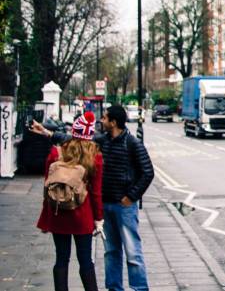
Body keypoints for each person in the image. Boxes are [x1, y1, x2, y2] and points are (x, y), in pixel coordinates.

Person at [33, 104, 154, 291]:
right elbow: (76, 140)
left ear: (113, 122)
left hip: (123, 206)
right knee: (108, 252)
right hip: (98, 208)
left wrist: (131, 197)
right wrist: (48, 133)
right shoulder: (99, 145)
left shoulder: (132, 143)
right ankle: (114, 288)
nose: (101, 121)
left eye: (105, 118)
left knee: (132, 253)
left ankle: (139, 288)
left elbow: (147, 172)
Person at [37, 111, 103, 291]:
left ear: (73, 132)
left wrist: (45, 218)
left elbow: (47, 186)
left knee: (61, 258)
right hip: (82, 216)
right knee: (85, 260)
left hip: (58, 212)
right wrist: (99, 219)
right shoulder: (94, 157)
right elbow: (96, 193)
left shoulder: (55, 152)